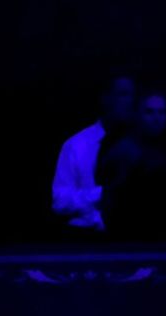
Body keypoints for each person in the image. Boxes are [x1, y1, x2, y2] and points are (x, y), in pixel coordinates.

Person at [98, 88, 166, 240]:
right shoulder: (124, 152)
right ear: (137, 115)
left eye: (162, 112)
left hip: (160, 237)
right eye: (149, 112)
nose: (157, 118)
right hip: (130, 239)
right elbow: (112, 203)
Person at [51, 75, 137, 230]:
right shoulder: (76, 145)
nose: (130, 101)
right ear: (105, 98)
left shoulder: (140, 146)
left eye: (132, 95)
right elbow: (60, 201)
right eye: (123, 94)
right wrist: (101, 195)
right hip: (87, 242)